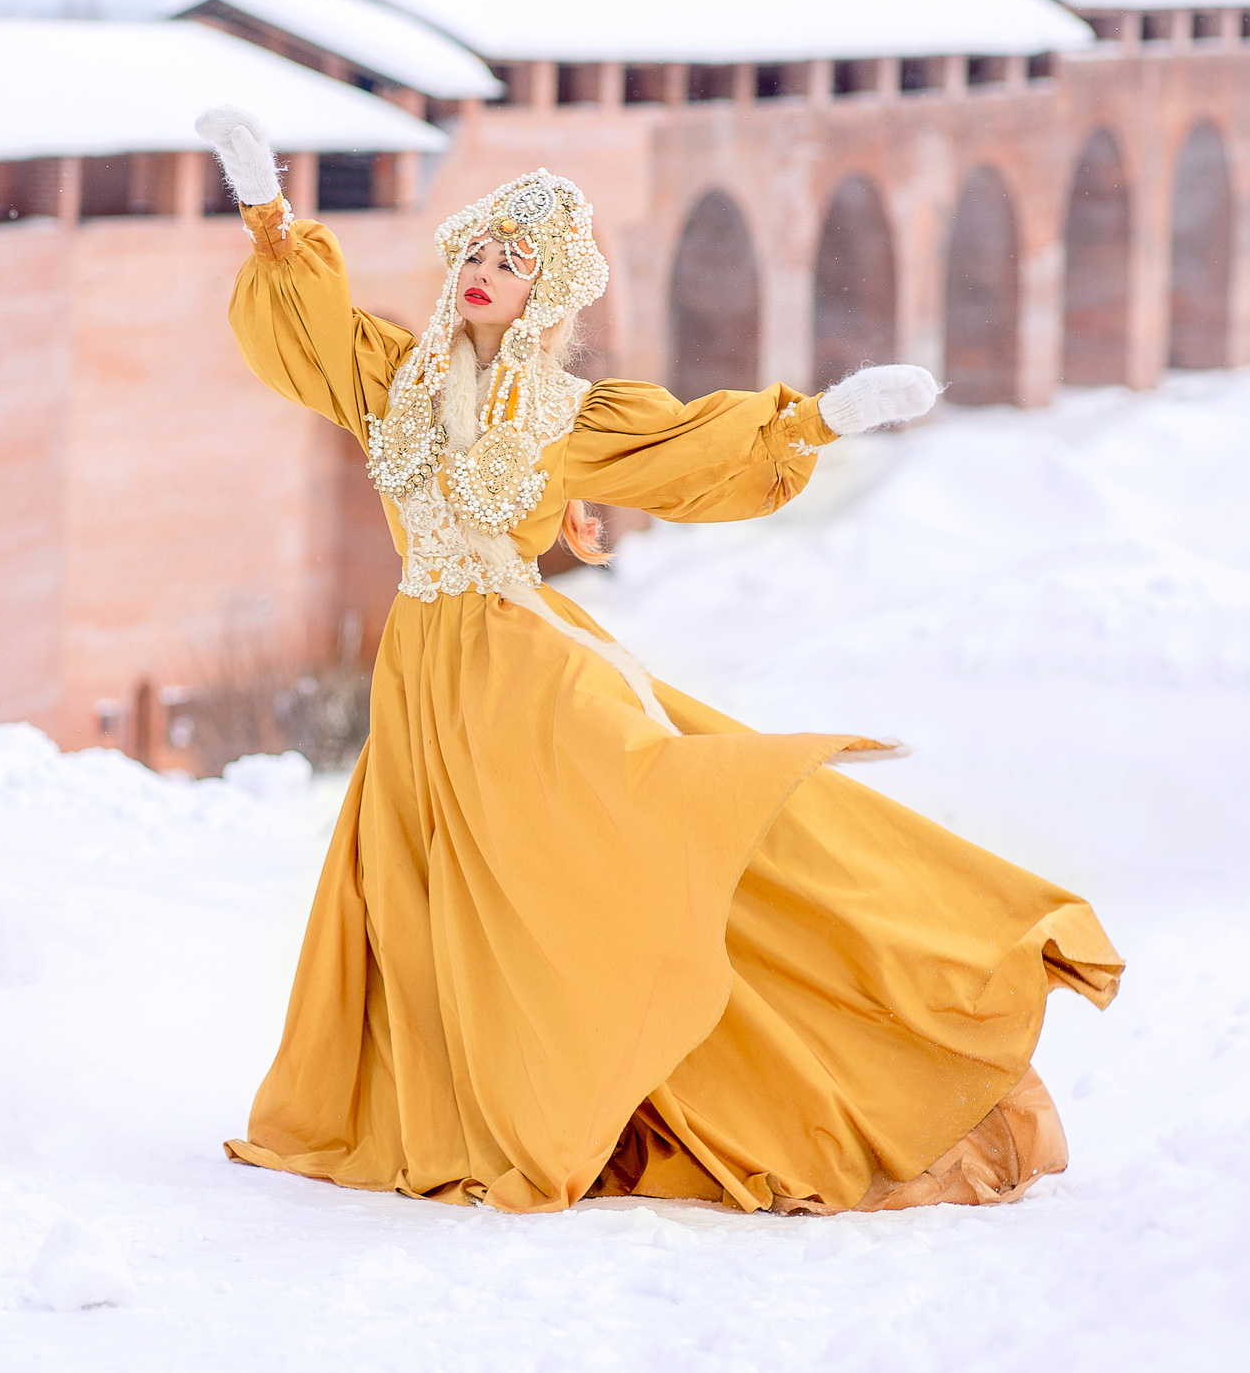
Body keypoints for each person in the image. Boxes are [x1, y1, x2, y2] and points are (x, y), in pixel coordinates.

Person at [202, 105, 1121, 1215]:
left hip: (518, 662)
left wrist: (822, 417)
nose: (489, 271)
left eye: (515, 261)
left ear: (544, 292)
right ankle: (458, 1100)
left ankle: (781, 1038)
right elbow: (308, 335)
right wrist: (265, 207)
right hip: (421, 671)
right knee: (423, 891)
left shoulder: (565, 415)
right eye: (481, 252)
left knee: (609, 850)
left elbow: (689, 450)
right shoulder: (392, 379)